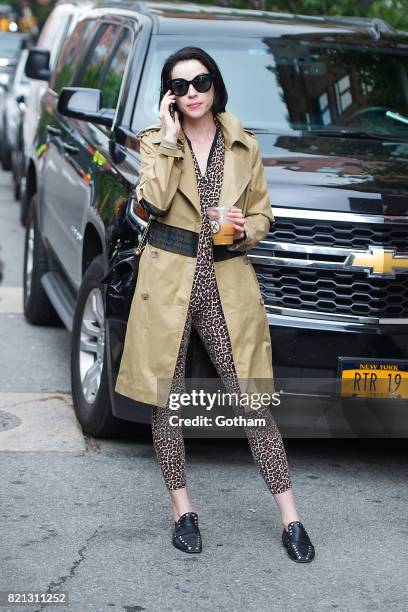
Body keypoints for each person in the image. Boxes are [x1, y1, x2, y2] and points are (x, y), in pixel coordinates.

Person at [115, 47, 315, 562]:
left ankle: (291, 518)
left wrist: (248, 230)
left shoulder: (242, 144)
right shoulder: (157, 141)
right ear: (169, 96)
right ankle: (182, 509)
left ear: (215, 84)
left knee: (253, 401)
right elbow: (152, 202)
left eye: (200, 82)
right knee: (169, 401)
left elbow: (264, 215)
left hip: (226, 281)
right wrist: (169, 138)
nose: (192, 94)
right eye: (179, 87)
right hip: (168, 280)